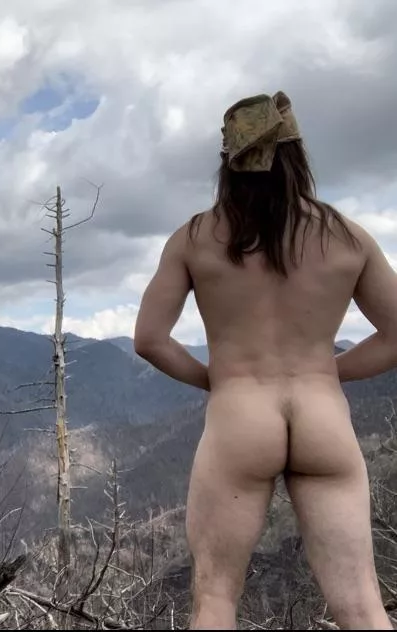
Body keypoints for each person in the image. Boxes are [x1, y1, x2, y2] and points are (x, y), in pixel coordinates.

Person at [133, 91, 395, 630]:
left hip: (239, 418)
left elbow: (150, 340)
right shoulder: (348, 238)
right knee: (363, 608)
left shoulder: (196, 238)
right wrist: (328, 374)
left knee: (215, 600)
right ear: (298, 157)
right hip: (324, 417)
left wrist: (217, 381)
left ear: (228, 162)